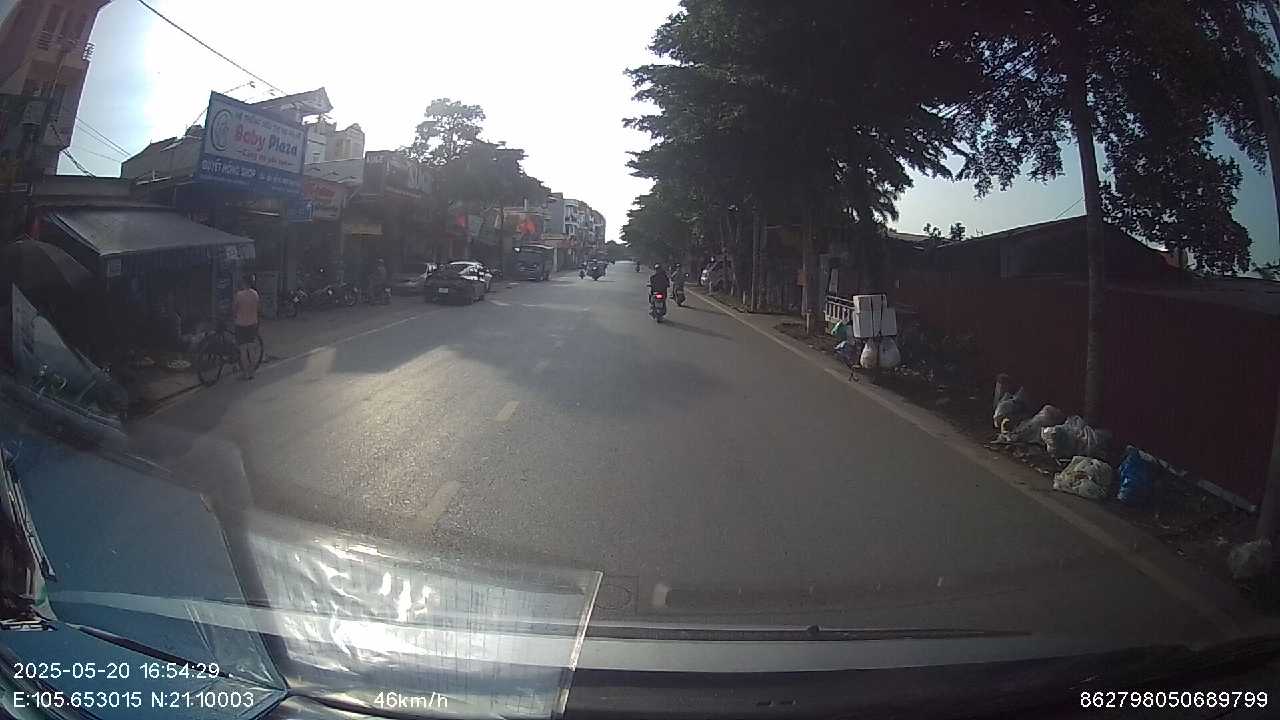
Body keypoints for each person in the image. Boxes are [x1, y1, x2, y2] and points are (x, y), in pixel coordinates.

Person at [232, 274, 260, 380]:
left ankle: (246, 373)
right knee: (251, 349)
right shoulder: (255, 294)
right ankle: (252, 372)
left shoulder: (239, 295)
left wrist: (234, 316)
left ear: (244, 282)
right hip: (252, 324)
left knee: (243, 350)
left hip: (241, 324)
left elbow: (234, 309)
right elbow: (257, 308)